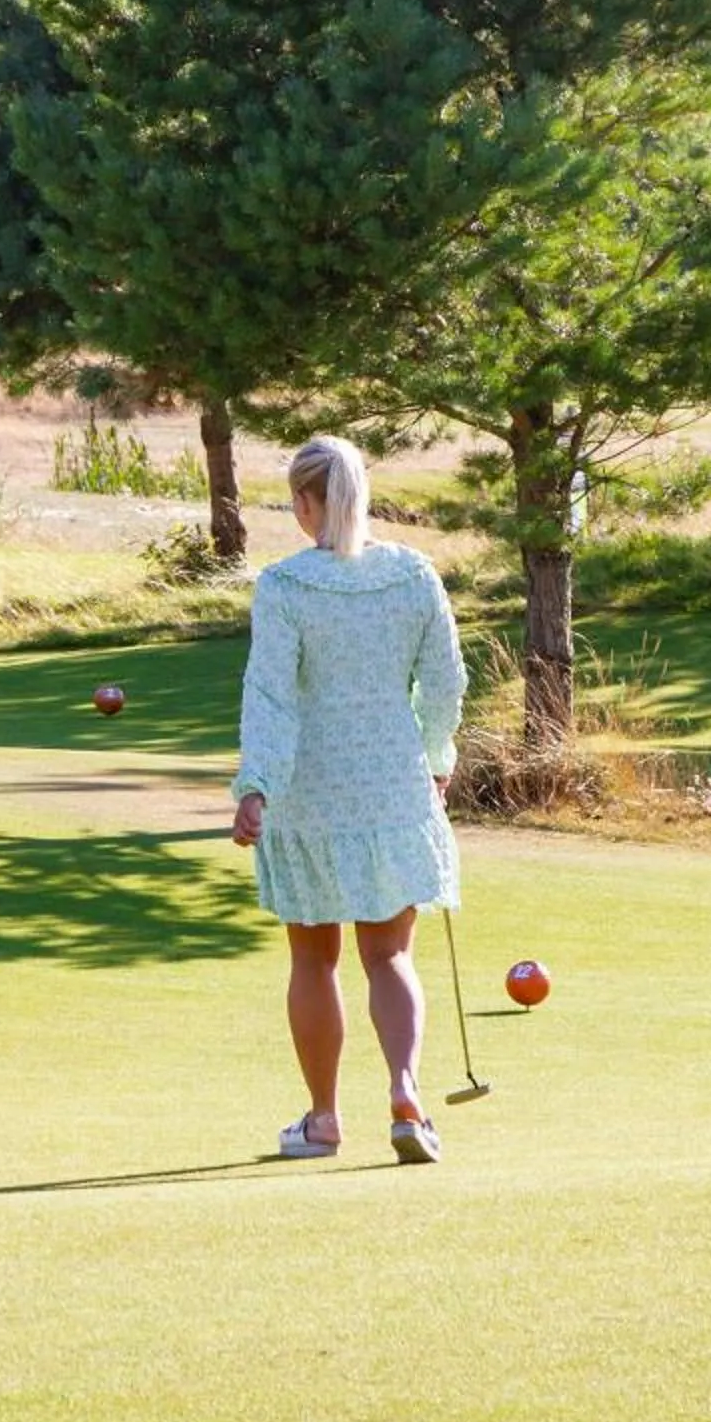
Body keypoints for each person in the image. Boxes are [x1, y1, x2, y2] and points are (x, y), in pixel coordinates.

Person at [230, 436, 468, 1165]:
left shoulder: (285, 586)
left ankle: (325, 1120)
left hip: (310, 794)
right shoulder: (413, 574)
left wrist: (256, 787)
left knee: (314, 960)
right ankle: (406, 1097)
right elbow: (447, 680)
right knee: (389, 954)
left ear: (306, 502)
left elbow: (271, 698)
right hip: (394, 787)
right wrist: (436, 757)